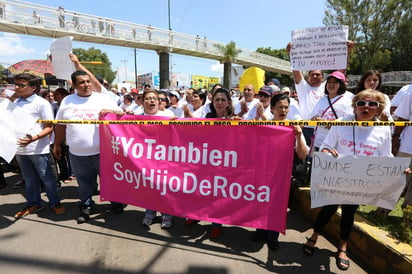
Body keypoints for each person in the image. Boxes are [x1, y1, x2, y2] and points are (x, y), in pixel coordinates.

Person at [303, 89, 392, 271]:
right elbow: (326, 146)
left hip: (360, 182)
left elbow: (386, 156)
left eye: (372, 104)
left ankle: (343, 247)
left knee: (349, 214)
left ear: (378, 108)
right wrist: (328, 152)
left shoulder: (383, 130)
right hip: (337, 177)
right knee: (328, 209)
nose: (366, 107)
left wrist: (398, 168)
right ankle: (314, 236)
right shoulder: (341, 124)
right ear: (355, 107)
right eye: (361, 103)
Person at [53, 70, 123, 224]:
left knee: (109, 180)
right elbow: (60, 125)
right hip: (77, 154)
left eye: (88, 81)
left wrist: (111, 112)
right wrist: (57, 144)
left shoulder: (103, 99)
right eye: (82, 82)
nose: (86, 85)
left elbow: (122, 116)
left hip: (103, 153)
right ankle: (85, 205)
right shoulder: (67, 101)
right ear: (74, 85)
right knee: (84, 183)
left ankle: (116, 202)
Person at [251, 93, 309, 250]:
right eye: (280, 107)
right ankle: (260, 231)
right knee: (260, 204)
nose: (283, 110)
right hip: (263, 174)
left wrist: (298, 136)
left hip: (282, 177)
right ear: (272, 109)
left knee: (278, 207)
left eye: (286, 107)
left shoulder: (293, 128)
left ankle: (272, 236)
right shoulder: (266, 125)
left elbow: (303, 154)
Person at [13, 73, 66, 219]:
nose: (17, 87)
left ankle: (55, 203)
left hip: (38, 149)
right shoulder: (15, 103)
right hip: (20, 149)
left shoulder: (41, 103)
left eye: (21, 85)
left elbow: (49, 127)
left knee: (47, 178)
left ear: (33, 87)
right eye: (16, 84)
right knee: (29, 179)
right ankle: (34, 202)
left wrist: (34, 139)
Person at [136, 89, 174, 229]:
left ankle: (167, 215)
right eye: (148, 98)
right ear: (142, 102)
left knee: (164, 188)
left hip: (163, 158)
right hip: (144, 159)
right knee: (149, 188)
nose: (151, 101)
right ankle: (149, 214)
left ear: (158, 102)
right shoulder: (135, 117)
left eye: (154, 98)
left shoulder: (168, 116)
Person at [310, 71, 353, 151]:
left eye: (335, 82)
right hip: (319, 142)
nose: (331, 85)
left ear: (341, 85)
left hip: (336, 145)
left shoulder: (347, 101)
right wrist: (316, 119)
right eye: (329, 82)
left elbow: (350, 121)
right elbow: (313, 117)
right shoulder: (321, 100)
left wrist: (334, 124)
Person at [392, 86, 412, 218]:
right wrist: (396, 137)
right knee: (397, 179)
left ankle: (408, 215)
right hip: (407, 146)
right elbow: (403, 117)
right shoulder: (410, 93)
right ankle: (383, 210)